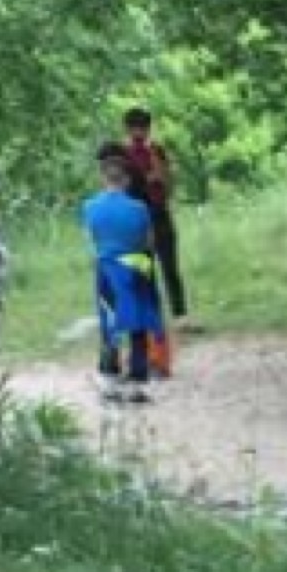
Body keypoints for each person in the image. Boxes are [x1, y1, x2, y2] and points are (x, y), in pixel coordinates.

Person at [82, 144, 167, 403]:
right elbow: (149, 243)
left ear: (103, 177)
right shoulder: (139, 209)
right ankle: (136, 384)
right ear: (127, 179)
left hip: (106, 269)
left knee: (110, 322)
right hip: (134, 267)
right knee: (137, 324)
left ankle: (109, 382)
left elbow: (91, 241)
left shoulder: (89, 207)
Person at [119, 106, 188, 322]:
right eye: (136, 129)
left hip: (159, 213)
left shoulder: (156, 150)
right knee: (142, 269)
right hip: (135, 218)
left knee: (170, 266)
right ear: (128, 129)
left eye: (144, 129)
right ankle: (150, 317)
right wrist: (144, 180)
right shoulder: (122, 154)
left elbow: (169, 184)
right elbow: (119, 185)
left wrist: (160, 171)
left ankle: (180, 315)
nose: (140, 134)